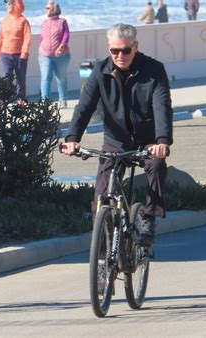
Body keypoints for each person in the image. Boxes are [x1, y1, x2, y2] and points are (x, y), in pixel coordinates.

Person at [61, 23, 173, 248]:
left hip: (148, 141)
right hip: (115, 141)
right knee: (100, 200)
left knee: (157, 165)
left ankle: (149, 219)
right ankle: (102, 261)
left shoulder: (154, 70)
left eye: (126, 50)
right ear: (109, 48)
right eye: (114, 51)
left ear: (136, 47)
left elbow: (162, 106)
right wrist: (72, 138)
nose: (120, 56)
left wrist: (162, 141)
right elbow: (84, 107)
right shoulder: (100, 71)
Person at [0, 0, 31, 104]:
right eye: (6, 4)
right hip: (5, 55)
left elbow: (27, 39)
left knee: (20, 78)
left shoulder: (23, 21)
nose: (7, 6)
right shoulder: (5, 20)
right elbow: (0, 37)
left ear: (16, 4)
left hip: (20, 56)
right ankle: (5, 98)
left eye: (9, 3)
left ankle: (21, 98)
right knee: (7, 78)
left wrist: (24, 53)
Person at [38, 1, 71, 109]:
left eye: (47, 8)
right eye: (45, 8)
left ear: (54, 9)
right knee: (46, 78)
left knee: (61, 78)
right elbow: (41, 38)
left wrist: (61, 46)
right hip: (45, 55)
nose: (45, 9)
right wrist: (40, 49)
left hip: (61, 56)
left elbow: (66, 35)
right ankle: (45, 102)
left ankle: (63, 100)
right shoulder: (44, 23)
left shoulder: (62, 21)